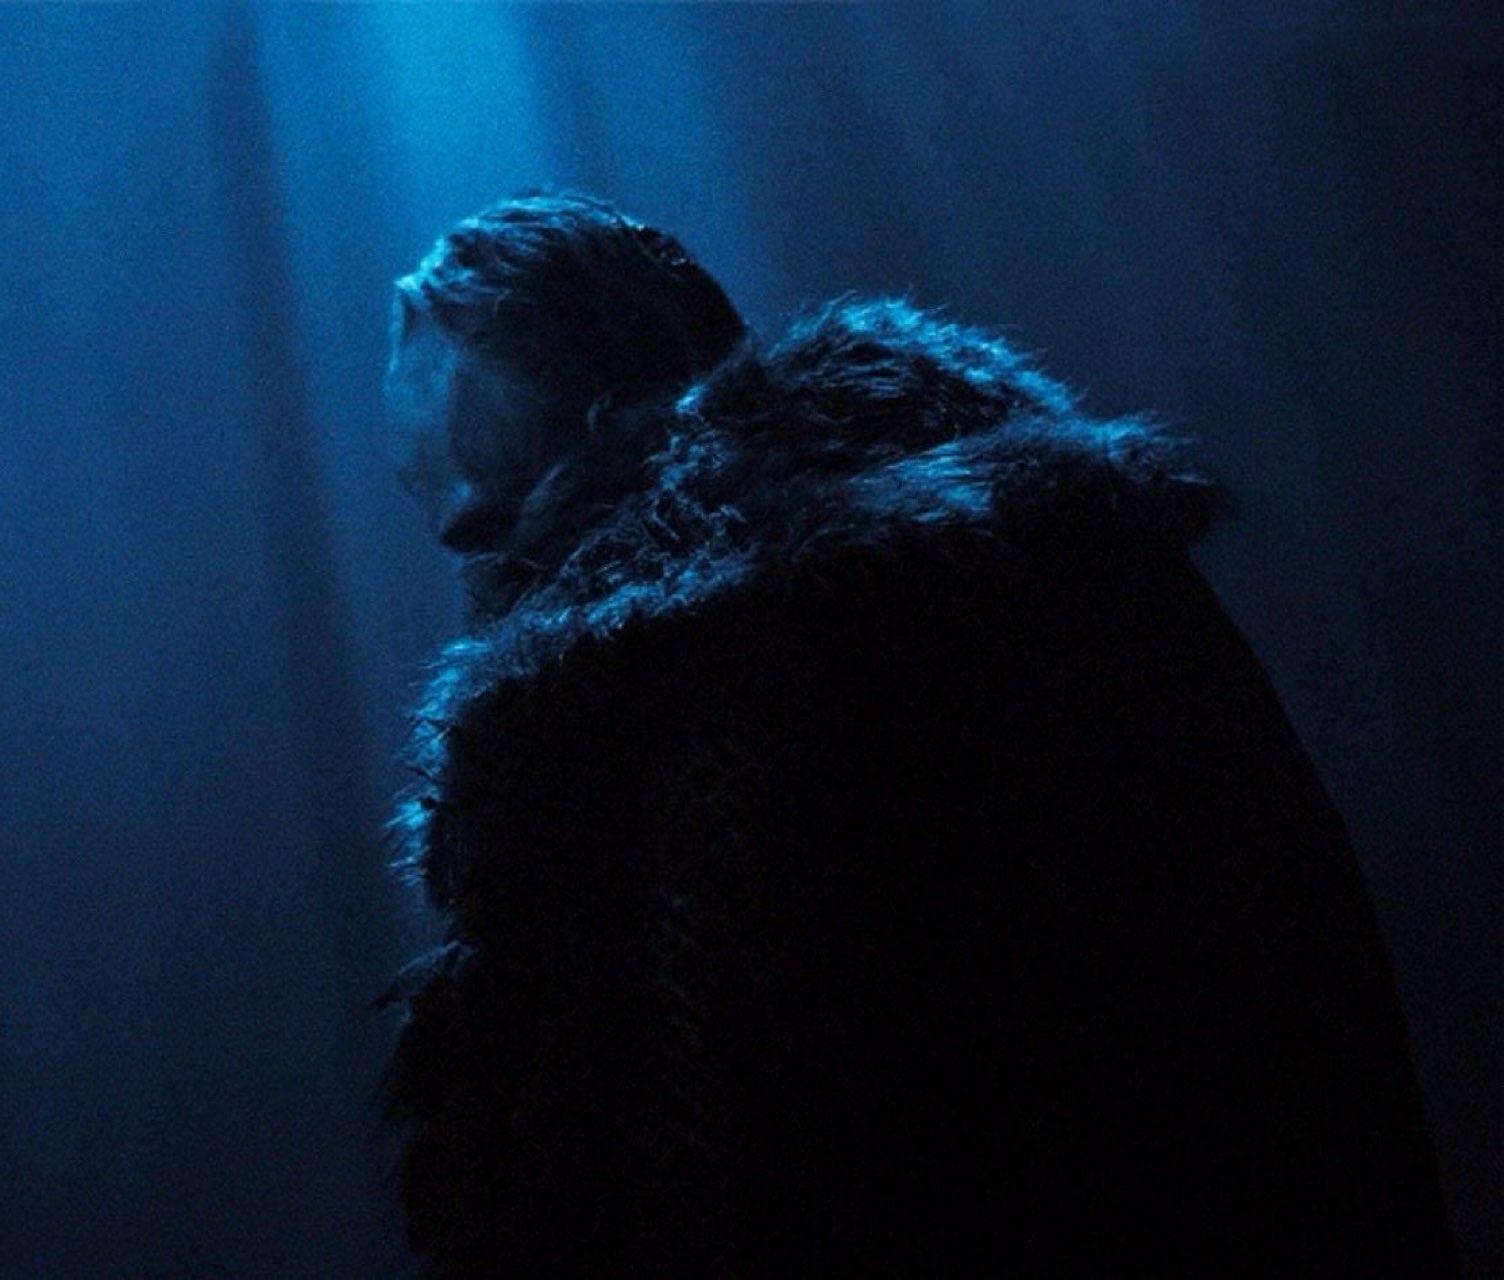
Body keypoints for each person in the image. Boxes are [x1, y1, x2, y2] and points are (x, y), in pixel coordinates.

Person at [378, 190, 1456, 1276]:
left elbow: (760, 1141)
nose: (430, 496)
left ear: (576, 406)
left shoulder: (709, 666)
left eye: (476, 505)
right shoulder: (1046, 553)